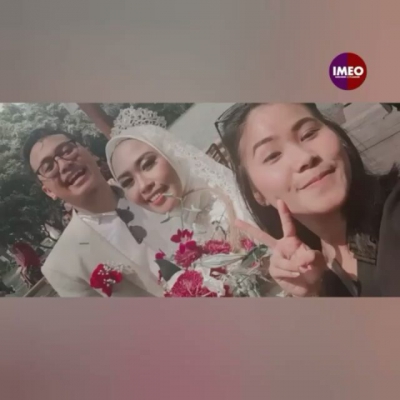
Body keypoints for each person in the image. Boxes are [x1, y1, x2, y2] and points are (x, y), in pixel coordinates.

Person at [216, 103, 400, 297]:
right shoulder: (317, 269)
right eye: (273, 155)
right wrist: (315, 293)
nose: (305, 158)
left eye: (309, 134)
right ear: (256, 192)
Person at [105, 107, 281, 296]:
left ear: (172, 154)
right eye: (128, 182)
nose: (143, 185)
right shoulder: (181, 232)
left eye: (147, 164)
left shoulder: (238, 201)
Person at [22, 127, 181, 297]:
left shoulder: (153, 184)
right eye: (48, 167)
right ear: (48, 191)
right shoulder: (62, 267)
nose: (64, 164)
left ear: (89, 151)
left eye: (67, 151)